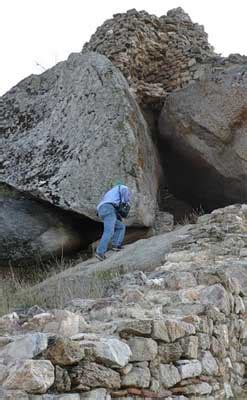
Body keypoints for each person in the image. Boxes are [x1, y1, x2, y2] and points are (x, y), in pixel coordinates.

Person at [95, 180, 131, 261]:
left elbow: (114, 207)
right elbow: (125, 191)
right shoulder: (122, 187)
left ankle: (116, 245)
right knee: (109, 231)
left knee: (121, 226)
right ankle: (100, 252)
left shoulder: (110, 193)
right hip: (108, 209)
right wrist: (127, 201)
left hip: (103, 210)